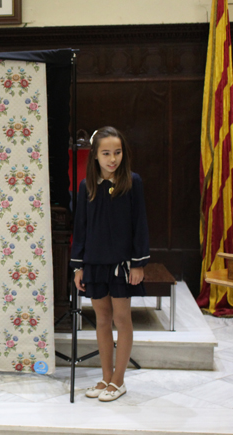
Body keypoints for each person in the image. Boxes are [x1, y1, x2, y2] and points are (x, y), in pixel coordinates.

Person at [69, 126, 149, 402]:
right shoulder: (87, 186)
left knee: (121, 319)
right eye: (106, 153)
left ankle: (119, 380)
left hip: (122, 264)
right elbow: (80, 228)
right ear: (94, 155)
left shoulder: (132, 182)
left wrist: (138, 263)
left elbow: (140, 224)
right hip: (94, 263)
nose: (112, 159)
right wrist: (78, 266)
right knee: (102, 319)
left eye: (117, 152)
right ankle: (105, 377)